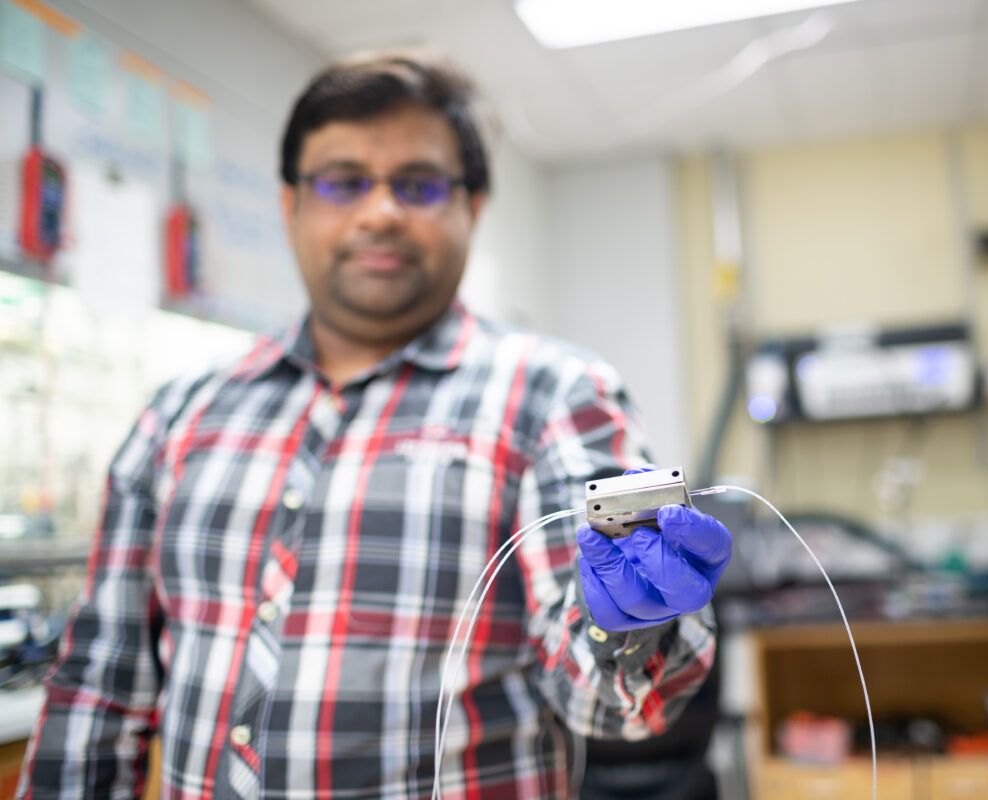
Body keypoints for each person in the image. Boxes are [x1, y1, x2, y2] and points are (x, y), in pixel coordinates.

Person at [18, 48, 732, 800]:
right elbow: (97, 690)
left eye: (418, 185)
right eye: (344, 181)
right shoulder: (177, 416)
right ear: (291, 203)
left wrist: (628, 626)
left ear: (473, 207)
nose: (381, 210)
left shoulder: (558, 397)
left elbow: (615, 707)